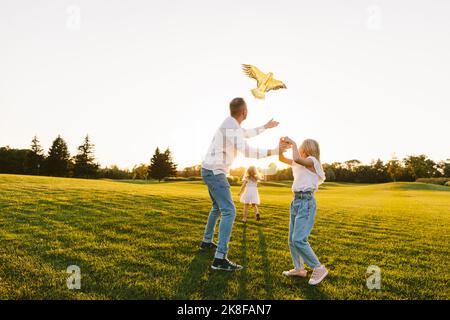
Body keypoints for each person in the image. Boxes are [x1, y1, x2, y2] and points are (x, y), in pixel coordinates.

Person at [200, 97, 290, 271]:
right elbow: (248, 151)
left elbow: (247, 133)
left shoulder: (232, 125)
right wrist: (274, 151)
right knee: (229, 211)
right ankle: (220, 259)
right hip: (215, 172)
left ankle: (206, 241)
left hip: (209, 170)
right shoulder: (232, 127)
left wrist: (266, 126)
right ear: (245, 112)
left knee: (217, 208)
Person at [278, 136, 328, 285]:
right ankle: (299, 269)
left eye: (299, 145)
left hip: (306, 202)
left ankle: (318, 268)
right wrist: (280, 145)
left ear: (306, 148)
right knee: (291, 240)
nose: (297, 147)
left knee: (298, 239)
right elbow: (281, 159)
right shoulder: (299, 162)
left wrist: (292, 143)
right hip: (296, 201)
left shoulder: (312, 161)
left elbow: (298, 159)